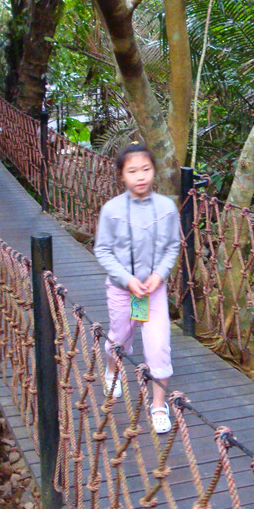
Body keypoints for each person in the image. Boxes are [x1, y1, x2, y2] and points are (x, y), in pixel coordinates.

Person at [94, 142, 180, 434]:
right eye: (132, 171)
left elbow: (172, 247)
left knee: (158, 346)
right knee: (120, 339)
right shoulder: (112, 210)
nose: (140, 176)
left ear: (154, 171)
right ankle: (111, 369)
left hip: (153, 291)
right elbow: (103, 250)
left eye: (146, 169)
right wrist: (127, 279)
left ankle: (158, 405)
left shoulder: (166, 207)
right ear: (121, 175)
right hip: (122, 290)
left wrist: (159, 275)